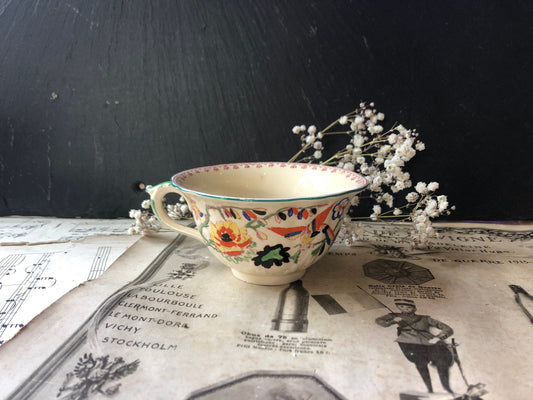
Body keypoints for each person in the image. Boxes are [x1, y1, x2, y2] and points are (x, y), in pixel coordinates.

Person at [375, 299, 455, 394]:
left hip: (428, 342)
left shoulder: (425, 318)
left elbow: (448, 329)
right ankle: (430, 390)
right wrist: (393, 321)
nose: (405, 309)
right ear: (398, 308)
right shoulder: (395, 316)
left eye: (409, 307)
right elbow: (379, 321)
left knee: (442, 361)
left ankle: (447, 388)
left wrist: (438, 338)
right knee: (420, 363)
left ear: (414, 308)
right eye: (401, 307)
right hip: (409, 343)